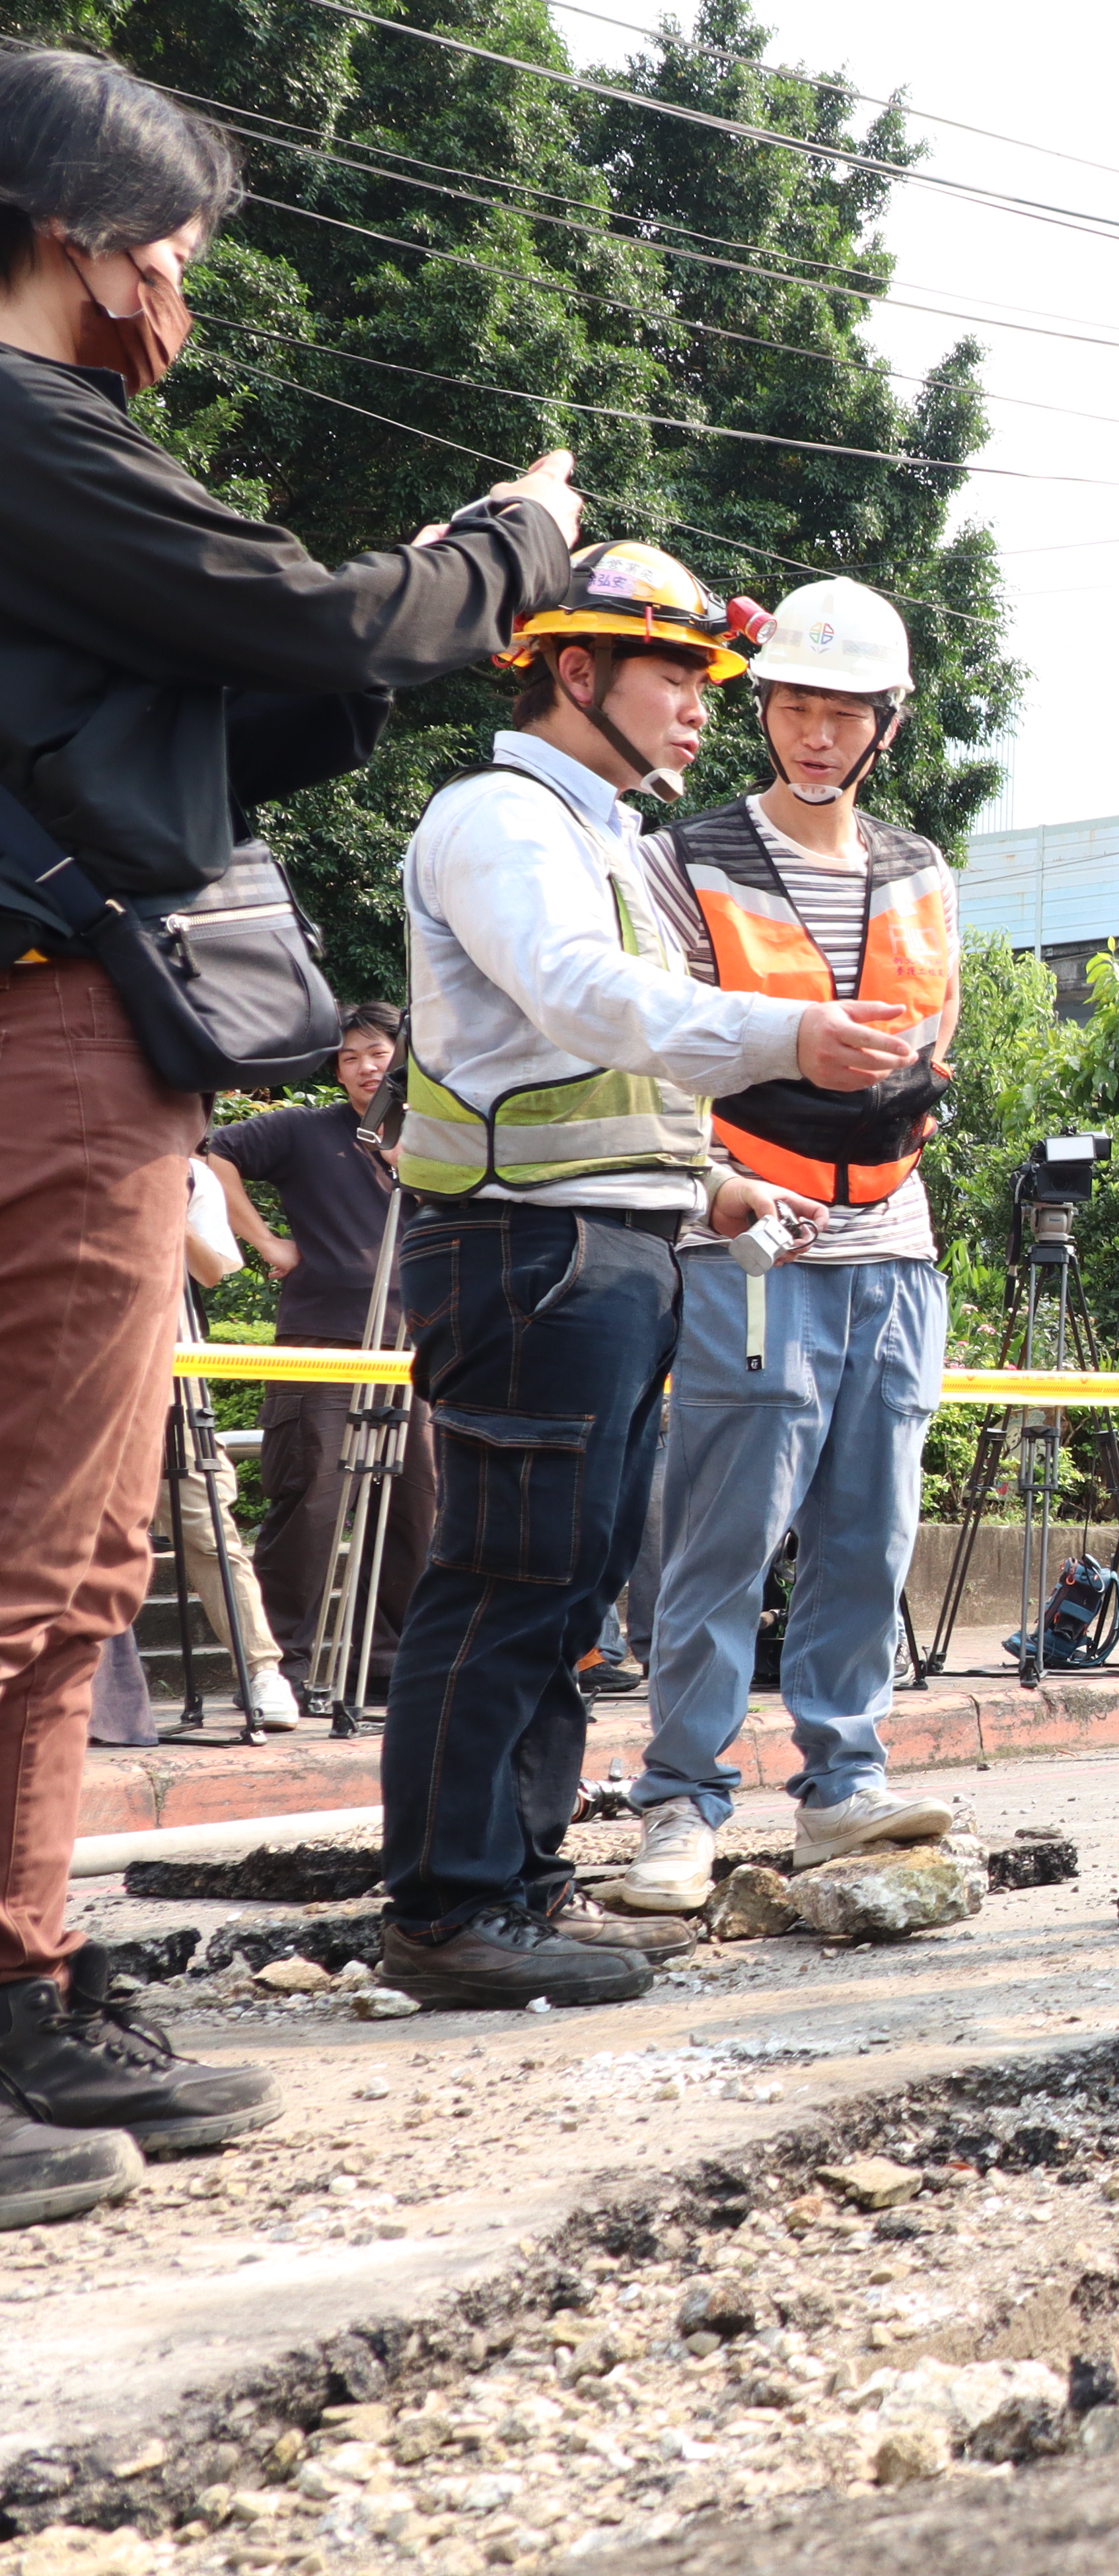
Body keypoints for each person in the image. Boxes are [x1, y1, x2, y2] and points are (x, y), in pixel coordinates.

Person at [0, 44, 579, 2221]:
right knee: (26, 1570)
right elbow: (307, 621)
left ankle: (31, 1977)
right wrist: (507, 548)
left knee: (74, 1573)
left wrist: (389, 630)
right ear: (76, 233)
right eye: (170, 249)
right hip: (40, 1027)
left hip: (88, 1034)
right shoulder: (24, 426)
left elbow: (235, 712)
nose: (184, 294)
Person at [375, 541, 905, 2009]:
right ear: (576, 669)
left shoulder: (595, 829)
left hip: (606, 1242)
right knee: (506, 1573)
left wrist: (709, 1186)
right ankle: (449, 1903)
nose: (699, 704)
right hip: (529, 1249)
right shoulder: (505, 820)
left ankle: (513, 1881)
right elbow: (584, 997)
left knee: (570, 1579)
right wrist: (785, 1035)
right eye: (677, 670)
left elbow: (594, 1069)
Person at [597, 578, 964, 1914]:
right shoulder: (682, 857)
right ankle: (680, 1803)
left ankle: (841, 1783)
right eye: (794, 706)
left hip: (896, 1245)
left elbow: (936, 1043)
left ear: (886, 721)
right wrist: (713, 1191)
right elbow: (658, 1052)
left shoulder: (923, 870)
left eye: (841, 711)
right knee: (723, 1536)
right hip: (754, 1239)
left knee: (870, 1530)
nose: (814, 733)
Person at [203, 1007, 431, 1710]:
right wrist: (267, 1245)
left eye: (378, 1054)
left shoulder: (438, 1140)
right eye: (349, 1058)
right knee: (312, 1503)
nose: (366, 1068)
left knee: (418, 1508)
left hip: (415, 1352)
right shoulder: (303, 1130)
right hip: (323, 1347)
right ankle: (284, 1668)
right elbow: (209, 1154)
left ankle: (391, 1662)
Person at [163, 1158, 289, 1723]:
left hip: (172, 1376)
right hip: (65, 1373)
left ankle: (263, 1672)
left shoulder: (191, 1173)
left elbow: (214, 1270)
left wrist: (167, 1211)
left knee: (209, 1529)